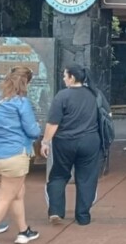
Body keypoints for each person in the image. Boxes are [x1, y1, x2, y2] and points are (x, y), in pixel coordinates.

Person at [42, 64, 111, 226]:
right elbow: (107, 115)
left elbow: (53, 123)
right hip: (90, 141)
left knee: (58, 175)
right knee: (87, 178)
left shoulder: (62, 96)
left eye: (65, 76)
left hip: (64, 142)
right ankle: (83, 216)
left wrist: (45, 142)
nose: (64, 79)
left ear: (72, 77)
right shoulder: (95, 94)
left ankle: (56, 211)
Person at [0, 67, 41, 244]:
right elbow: (33, 131)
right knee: (4, 199)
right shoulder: (21, 103)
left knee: (17, 193)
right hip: (14, 155)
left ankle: (24, 231)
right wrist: (37, 127)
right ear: (27, 83)